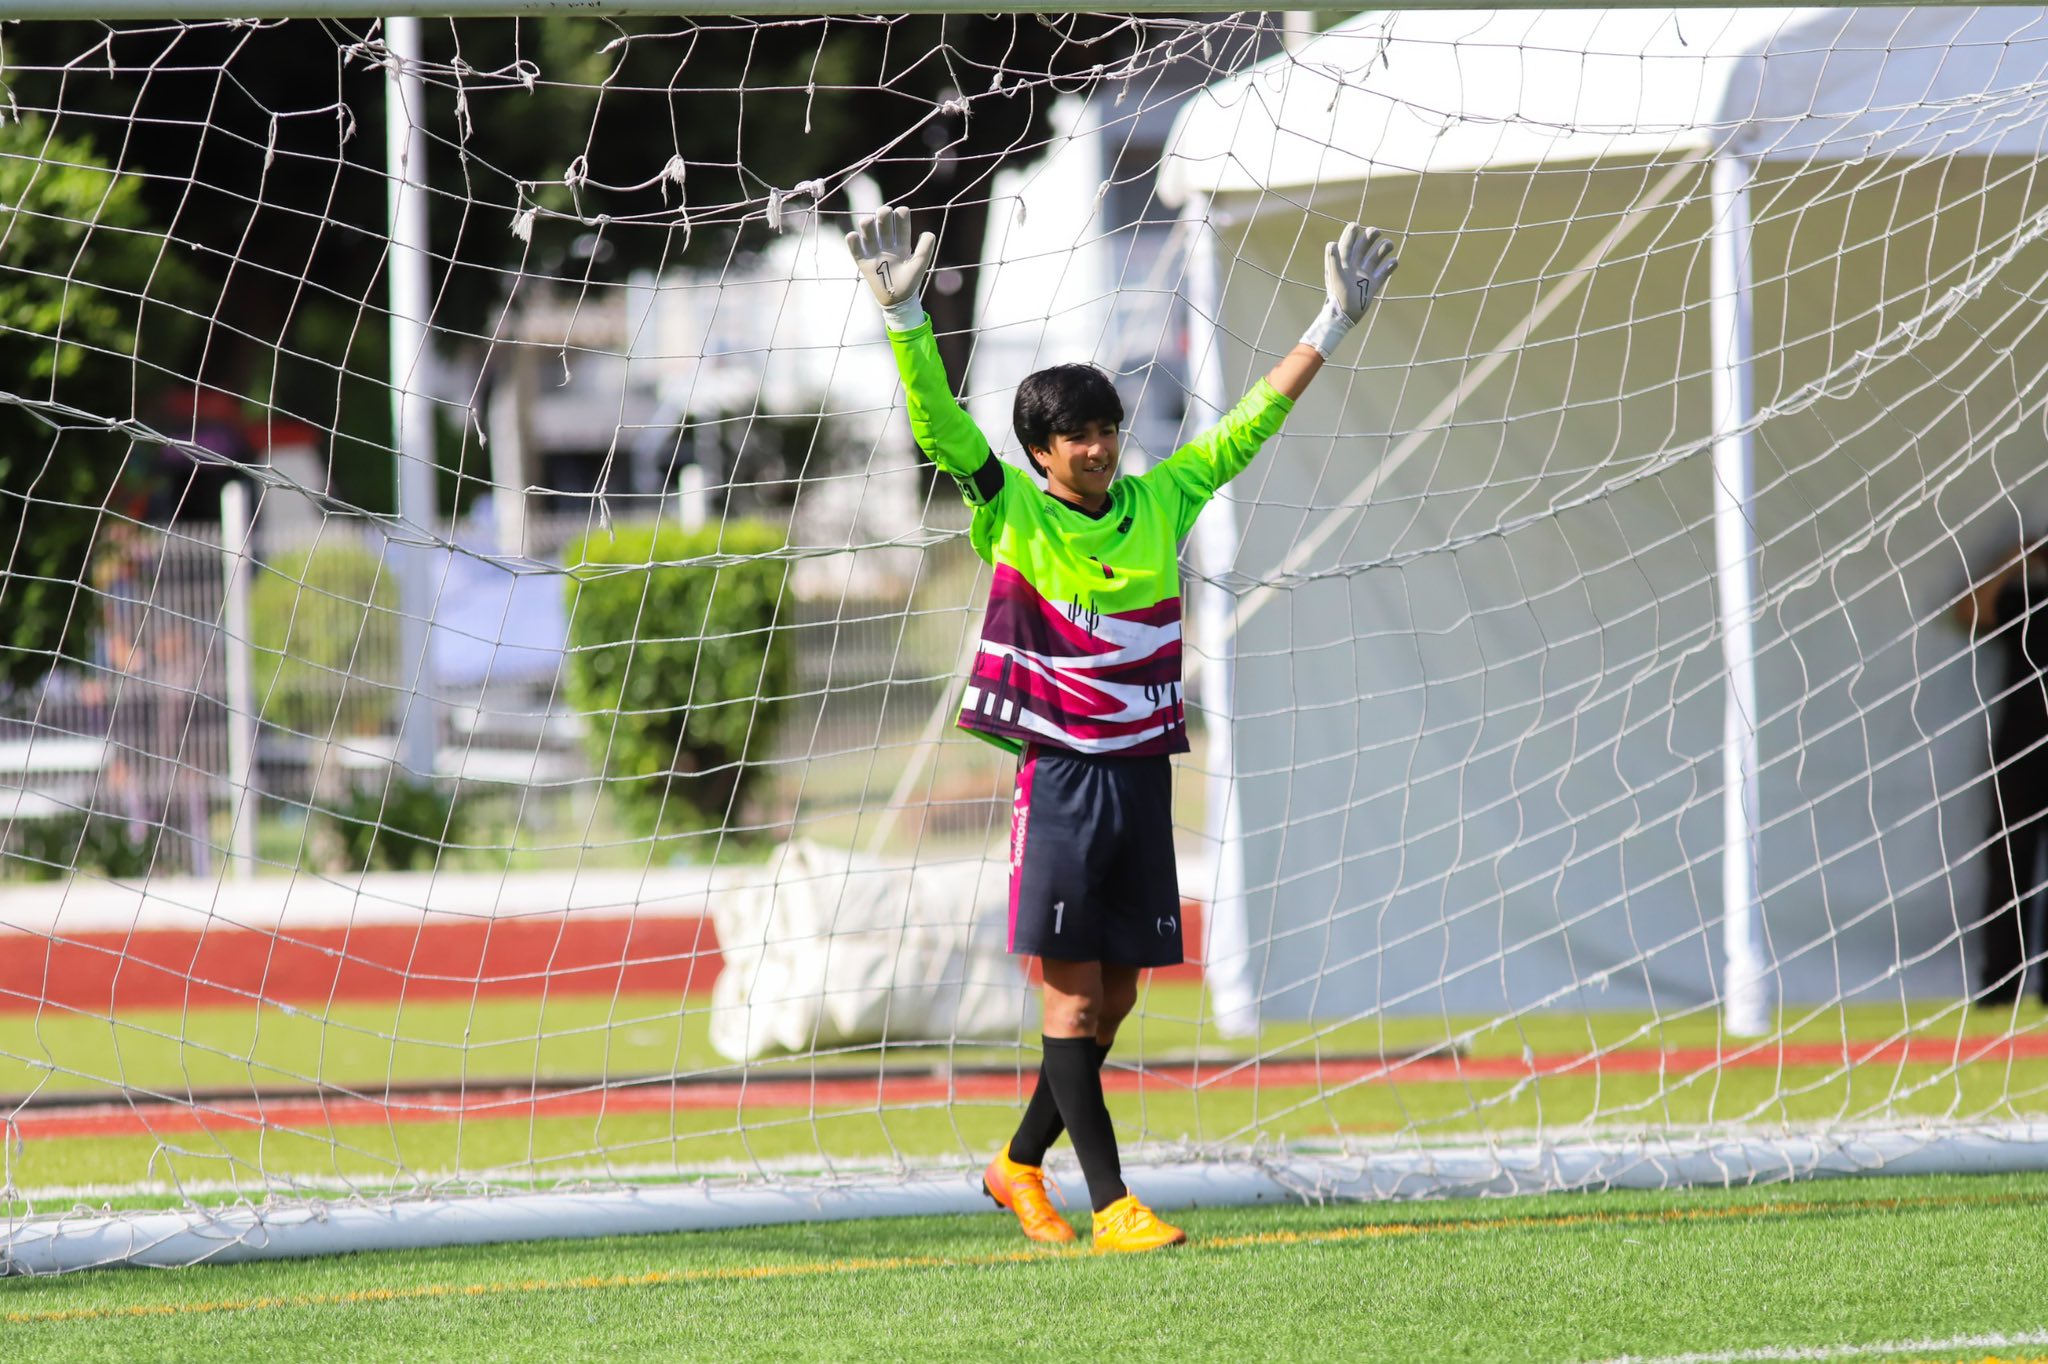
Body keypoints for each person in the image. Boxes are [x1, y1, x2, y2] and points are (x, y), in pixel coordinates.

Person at [847, 205, 1396, 1252]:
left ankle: (1014, 1165)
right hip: (1059, 777)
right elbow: (939, 429)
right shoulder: (1008, 508)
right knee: (1065, 1004)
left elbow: (1247, 424)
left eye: (1105, 428)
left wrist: (1328, 323)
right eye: (1077, 434)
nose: (1098, 446)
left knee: (1117, 998)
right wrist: (909, 319)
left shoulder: (1160, 495)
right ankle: (1111, 1205)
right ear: (1041, 450)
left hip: (1140, 774)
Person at [1957, 531, 2048, 1006]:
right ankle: (2001, 987)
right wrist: (2018, 557)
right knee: (2010, 868)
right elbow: (1969, 612)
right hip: (2022, 751)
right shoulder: (2029, 601)